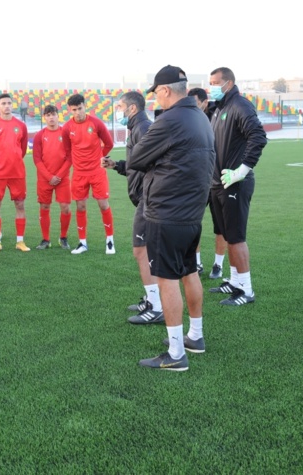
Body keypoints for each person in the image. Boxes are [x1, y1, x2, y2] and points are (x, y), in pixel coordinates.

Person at [129, 65, 215, 371]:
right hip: (191, 212)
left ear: (165, 90)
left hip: (167, 212)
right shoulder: (200, 118)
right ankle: (195, 336)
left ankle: (176, 354)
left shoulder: (171, 120)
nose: (157, 100)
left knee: (167, 279)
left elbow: (137, 159)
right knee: (189, 271)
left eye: (157, 93)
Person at [208, 67, 267, 306]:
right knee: (227, 235)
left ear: (228, 83)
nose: (211, 86)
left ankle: (246, 290)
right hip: (217, 183)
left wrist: (242, 171)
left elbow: (258, 136)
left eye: (215, 82)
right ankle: (234, 281)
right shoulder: (219, 108)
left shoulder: (240, 105)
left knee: (236, 237)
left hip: (235, 182)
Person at [102, 91, 163, 325]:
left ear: (132, 109)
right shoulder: (137, 128)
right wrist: (117, 165)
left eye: (120, 107)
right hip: (145, 197)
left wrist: (148, 194)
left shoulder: (143, 128)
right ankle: (152, 300)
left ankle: (156, 306)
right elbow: (139, 165)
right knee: (145, 251)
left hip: (149, 198)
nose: (117, 111)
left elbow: (154, 165)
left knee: (142, 251)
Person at [61, 93, 115, 255]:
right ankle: (82, 242)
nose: (78, 112)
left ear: (85, 106)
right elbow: (67, 150)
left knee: (103, 204)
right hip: (79, 174)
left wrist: (99, 158)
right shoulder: (67, 128)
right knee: (80, 205)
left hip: (97, 172)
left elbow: (109, 143)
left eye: (80, 108)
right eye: (74, 110)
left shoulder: (96, 123)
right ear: (70, 110)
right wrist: (79, 163)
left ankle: (110, 241)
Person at [188, 87, 228, 279]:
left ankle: (218, 265)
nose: (193, 106)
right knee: (193, 223)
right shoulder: (187, 119)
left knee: (220, 226)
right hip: (197, 181)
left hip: (218, 180)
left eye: (196, 102)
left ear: (204, 102)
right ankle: (196, 263)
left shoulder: (219, 113)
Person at [0, 93, 30, 252]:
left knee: (20, 204)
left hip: (17, 172)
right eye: (3, 103)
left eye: (9, 103)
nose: (7, 106)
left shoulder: (21, 125)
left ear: (13, 105)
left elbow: (22, 149)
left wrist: (14, 159)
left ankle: (20, 241)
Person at [31, 105, 72, 250]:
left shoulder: (65, 134)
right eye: (48, 115)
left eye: (53, 114)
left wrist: (58, 176)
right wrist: (49, 176)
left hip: (62, 178)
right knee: (44, 206)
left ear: (58, 116)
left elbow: (70, 157)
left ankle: (63, 237)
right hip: (44, 178)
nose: (51, 117)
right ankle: (45, 239)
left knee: (65, 207)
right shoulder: (39, 135)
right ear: (44, 118)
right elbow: (37, 159)